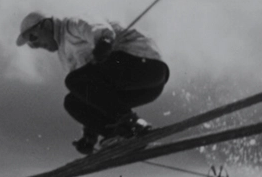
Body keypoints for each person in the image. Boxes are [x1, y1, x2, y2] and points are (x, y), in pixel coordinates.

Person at [16, 12, 170, 154]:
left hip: (146, 65)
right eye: (31, 45)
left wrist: (104, 42)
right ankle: (119, 133)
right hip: (143, 88)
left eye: (33, 38)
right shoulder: (64, 54)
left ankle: (131, 123)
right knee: (72, 102)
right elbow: (92, 94)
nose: (35, 46)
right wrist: (90, 134)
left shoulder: (71, 25)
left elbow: (100, 29)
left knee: (74, 81)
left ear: (46, 25)